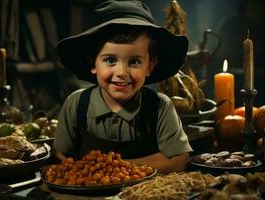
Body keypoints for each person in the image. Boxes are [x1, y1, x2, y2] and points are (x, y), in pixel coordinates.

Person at [53, 0, 192, 174]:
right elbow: (60, 154)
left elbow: (179, 160)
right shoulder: (76, 104)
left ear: (150, 66)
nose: (121, 72)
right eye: (110, 60)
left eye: (134, 61)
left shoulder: (160, 107)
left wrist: (114, 168)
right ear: (93, 63)